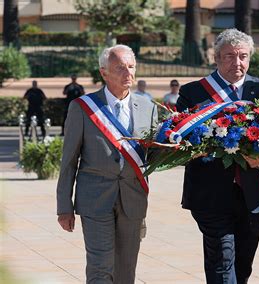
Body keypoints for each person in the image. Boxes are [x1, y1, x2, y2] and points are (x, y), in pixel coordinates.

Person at [176, 28, 259, 284]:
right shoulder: (193, 93)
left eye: (243, 56)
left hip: (253, 193)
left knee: (243, 265)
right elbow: (182, 141)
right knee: (222, 260)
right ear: (216, 58)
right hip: (210, 193)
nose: (237, 63)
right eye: (229, 56)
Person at [56, 45, 158, 283]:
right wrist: (64, 206)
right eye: (120, 68)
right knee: (101, 266)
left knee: (126, 267)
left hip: (133, 199)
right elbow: (69, 161)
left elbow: (151, 156)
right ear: (104, 73)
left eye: (131, 67)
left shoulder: (148, 107)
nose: (128, 73)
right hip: (95, 199)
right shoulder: (83, 108)